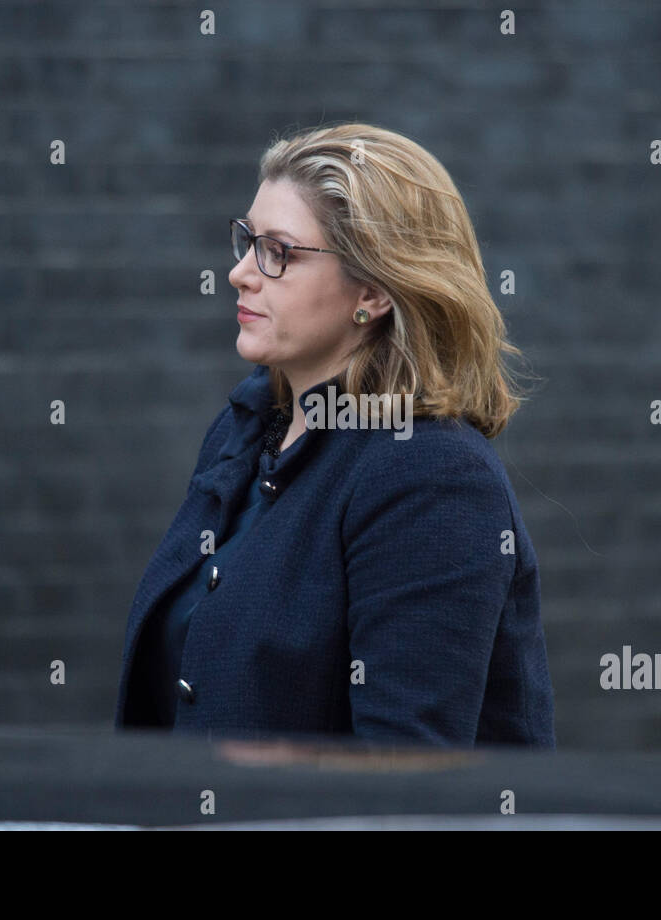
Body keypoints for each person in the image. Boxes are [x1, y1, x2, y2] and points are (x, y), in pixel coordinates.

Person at [115, 122, 556, 747]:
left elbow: (405, 773)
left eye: (279, 252)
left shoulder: (429, 475)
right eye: (246, 241)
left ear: (372, 292)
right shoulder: (246, 428)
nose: (241, 272)